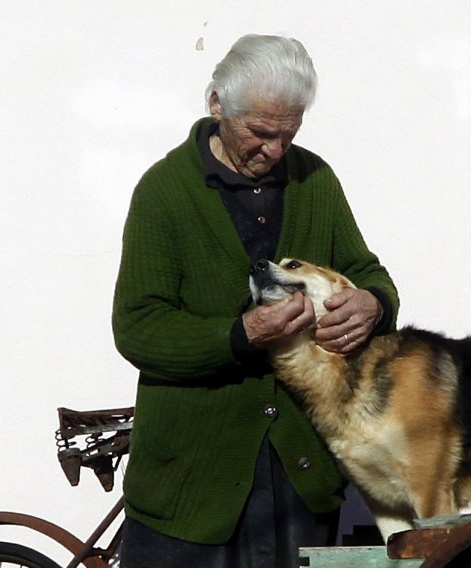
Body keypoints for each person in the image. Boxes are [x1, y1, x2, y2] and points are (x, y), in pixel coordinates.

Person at [112, 34, 399, 567]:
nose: (275, 151)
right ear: (217, 103)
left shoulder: (315, 180)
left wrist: (374, 305)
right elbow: (139, 326)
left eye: (288, 136)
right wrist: (242, 335)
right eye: (261, 133)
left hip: (301, 479)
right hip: (192, 489)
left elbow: (365, 271)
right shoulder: (164, 192)